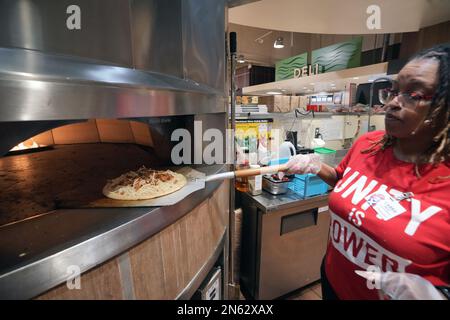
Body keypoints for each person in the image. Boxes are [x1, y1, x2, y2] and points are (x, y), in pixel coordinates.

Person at [285, 43, 450, 300]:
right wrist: (318, 167)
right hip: (333, 281)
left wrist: (438, 295)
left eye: (414, 94)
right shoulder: (368, 144)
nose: (393, 103)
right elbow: (345, 182)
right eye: (393, 91)